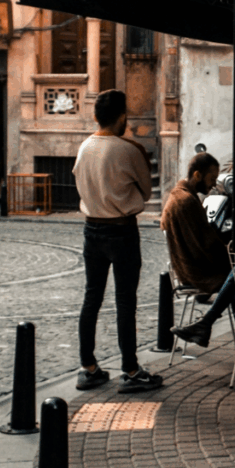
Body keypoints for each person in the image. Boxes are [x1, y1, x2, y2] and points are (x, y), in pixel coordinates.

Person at [72, 89, 163, 393]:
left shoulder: (85, 147)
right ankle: (131, 370)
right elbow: (147, 193)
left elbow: (79, 184)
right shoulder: (128, 150)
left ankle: (88, 366)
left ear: (96, 116)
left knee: (91, 298)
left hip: (91, 229)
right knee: (125, 302)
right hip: (122, 230)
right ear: (123, 116)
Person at [163, 152, 235, 379]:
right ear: (198, 175)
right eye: (211, 178)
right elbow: (206, 246)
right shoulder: (187, 201)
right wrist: (231, 249)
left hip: (189, 267)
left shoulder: (178, 195)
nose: (213, 184)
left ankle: (208, 325)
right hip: (196, 271)